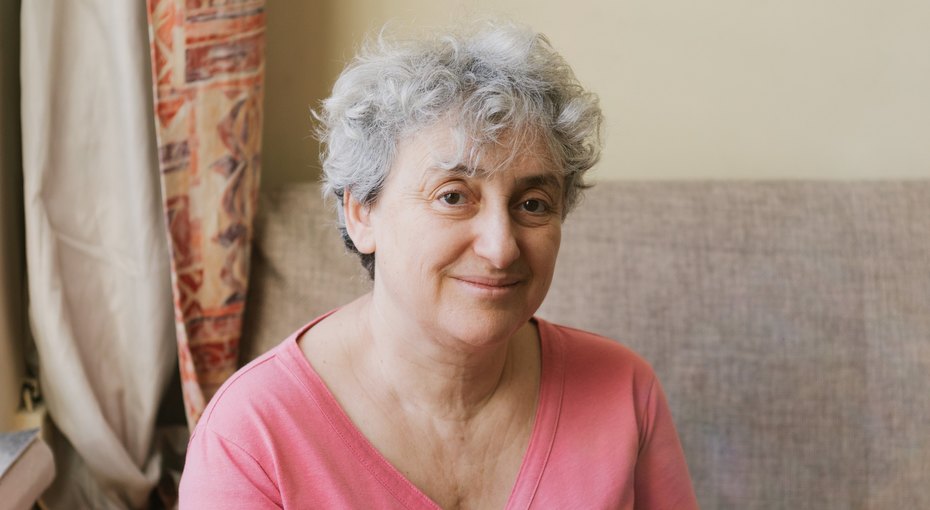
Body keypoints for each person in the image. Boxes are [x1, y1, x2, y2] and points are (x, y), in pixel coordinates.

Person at [179, 21, 698, 509]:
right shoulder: (251, 437)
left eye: (533, 203)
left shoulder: (625, 392)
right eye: (453, 196)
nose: (501, 248)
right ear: (361, 213)